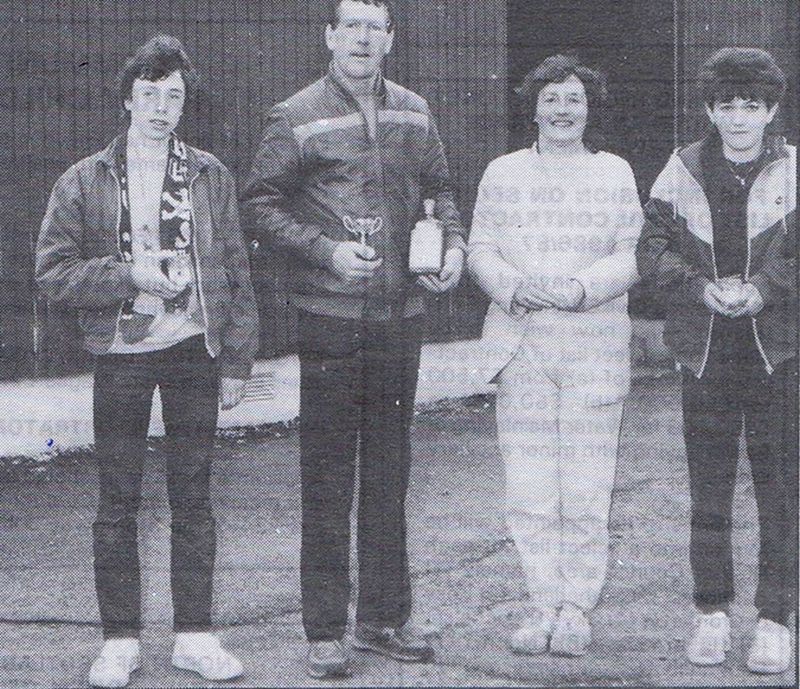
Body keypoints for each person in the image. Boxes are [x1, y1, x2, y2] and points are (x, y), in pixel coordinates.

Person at [242, 0, 466, 679]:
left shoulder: (414, 109)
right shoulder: (296, 113)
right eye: (353, 25)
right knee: (329, 473)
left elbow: (441, 188)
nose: (364, 38)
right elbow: (258, 202)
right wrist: (325, 251)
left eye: (377, 26)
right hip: (331, 316)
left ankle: (381, 618)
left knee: (390, 473)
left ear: (391, 39)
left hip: (400, 318)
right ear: (331, 36)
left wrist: (451, 244)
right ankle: (324, 628)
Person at [35, 35, 259, 688]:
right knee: (117, 501)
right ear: (128, 100)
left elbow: (235, 269)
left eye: (175, 96)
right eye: (151, 95)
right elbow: (52, 270)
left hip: (194, 352)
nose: (163, 107)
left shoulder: (208, 173)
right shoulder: (86, 177)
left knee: (194, 497)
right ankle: (119, 640)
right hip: (122, 355)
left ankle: (195, 634)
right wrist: (128, 275)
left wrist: (239, 357)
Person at [468, 54, 643, 658]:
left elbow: (630, 254)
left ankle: (576, 609)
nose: (562, 110)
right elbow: (481, 247)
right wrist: (511, 288)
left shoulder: (614, 173)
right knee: (531, 487)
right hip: (522, 345)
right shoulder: (503, 172)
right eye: (551, 99)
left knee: (587, 488)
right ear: (533, 106)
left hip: (592, 343)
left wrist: (580, 288)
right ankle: (542, 603)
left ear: (590, 108)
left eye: (573, 99)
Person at [637, 47, 797, 674]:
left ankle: (776, 619)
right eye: (726, 105)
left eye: (751, 106)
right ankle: (711, 612)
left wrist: (765, 290)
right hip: (704, 352)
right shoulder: (680, 168)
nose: (738, 117)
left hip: (776, 351)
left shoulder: (795, 169)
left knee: (778, 488)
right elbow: (651, 246)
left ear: (771, 109)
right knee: (709, 490)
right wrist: (697, 287)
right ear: (709, 108)